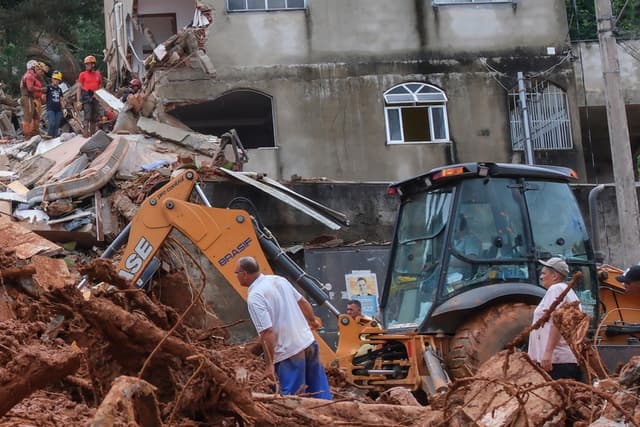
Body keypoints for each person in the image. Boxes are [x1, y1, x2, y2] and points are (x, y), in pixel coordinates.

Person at [235, 256, 332, 400]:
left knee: (293, 400)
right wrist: (313, 321)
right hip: (308, 342)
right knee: (320, 394)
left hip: (289, 352)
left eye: (236, 273)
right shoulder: (279, 280)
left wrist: (269, 365)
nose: (236, 276)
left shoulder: (255, 296)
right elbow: (303, 302)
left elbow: (267, 332)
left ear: (244, 274)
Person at [528, 257, 582, 380]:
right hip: (564, 360)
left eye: (543, 273)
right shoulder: (568, 291)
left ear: (555, 276)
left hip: (557, 361)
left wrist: (547, 353)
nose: (541, 277)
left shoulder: (556, 289)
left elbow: (558, 322)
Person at [76, 55, 103, 137]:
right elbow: (79, 88)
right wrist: (78, 101)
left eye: (88, 64)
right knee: (87, 116)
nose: (86, 66)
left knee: (94, 118)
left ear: (93, 65)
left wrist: (101, 100)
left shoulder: (98, 75)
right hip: (86, 97)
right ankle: (85, 135)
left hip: (95, 97)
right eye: (86, 64)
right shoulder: (82, 74)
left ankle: (93, 135)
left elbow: (101, 88)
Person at [19, 60, 46, 139]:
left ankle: (35, 134)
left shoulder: (29, 75)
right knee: (28, 118)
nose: (37, 69)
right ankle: (27, 136)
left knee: (36, 117)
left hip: (30, 98)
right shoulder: (29, 76)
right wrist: (40, 89)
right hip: (27, 98)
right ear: (33, 67)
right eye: (36, 67)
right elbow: (30, 88)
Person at [45, 71, 64, 138]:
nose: (56, 81)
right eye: (55, 79)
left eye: (58, 80)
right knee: (52, 124)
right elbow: (43, 96)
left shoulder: (59, 89)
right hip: (50, 109)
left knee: (57, 125)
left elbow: (61, 99)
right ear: (52, 79)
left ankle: (54, 137)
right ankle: (49, 136)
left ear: (59, 81)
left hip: (58, 110)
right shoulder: (48, 88)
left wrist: (64, 108)